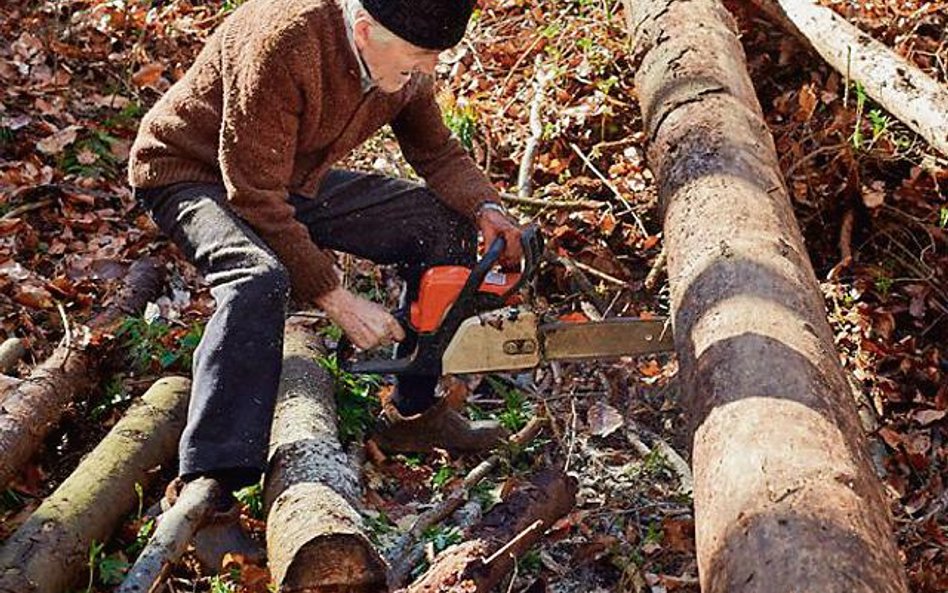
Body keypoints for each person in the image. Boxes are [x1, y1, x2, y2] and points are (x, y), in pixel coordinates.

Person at [128, 0, 524, 498]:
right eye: (420, 56)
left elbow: (436, 151)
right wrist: (337, 297)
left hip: (282, 175)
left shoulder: (400, 49)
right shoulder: (285, 41)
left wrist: (486, 209)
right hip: (188, 171)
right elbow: (251, 195)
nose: (429, 70)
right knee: (256, 279)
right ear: (363, 31)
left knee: (444, 226)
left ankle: (413, 414)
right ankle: (211, 486)